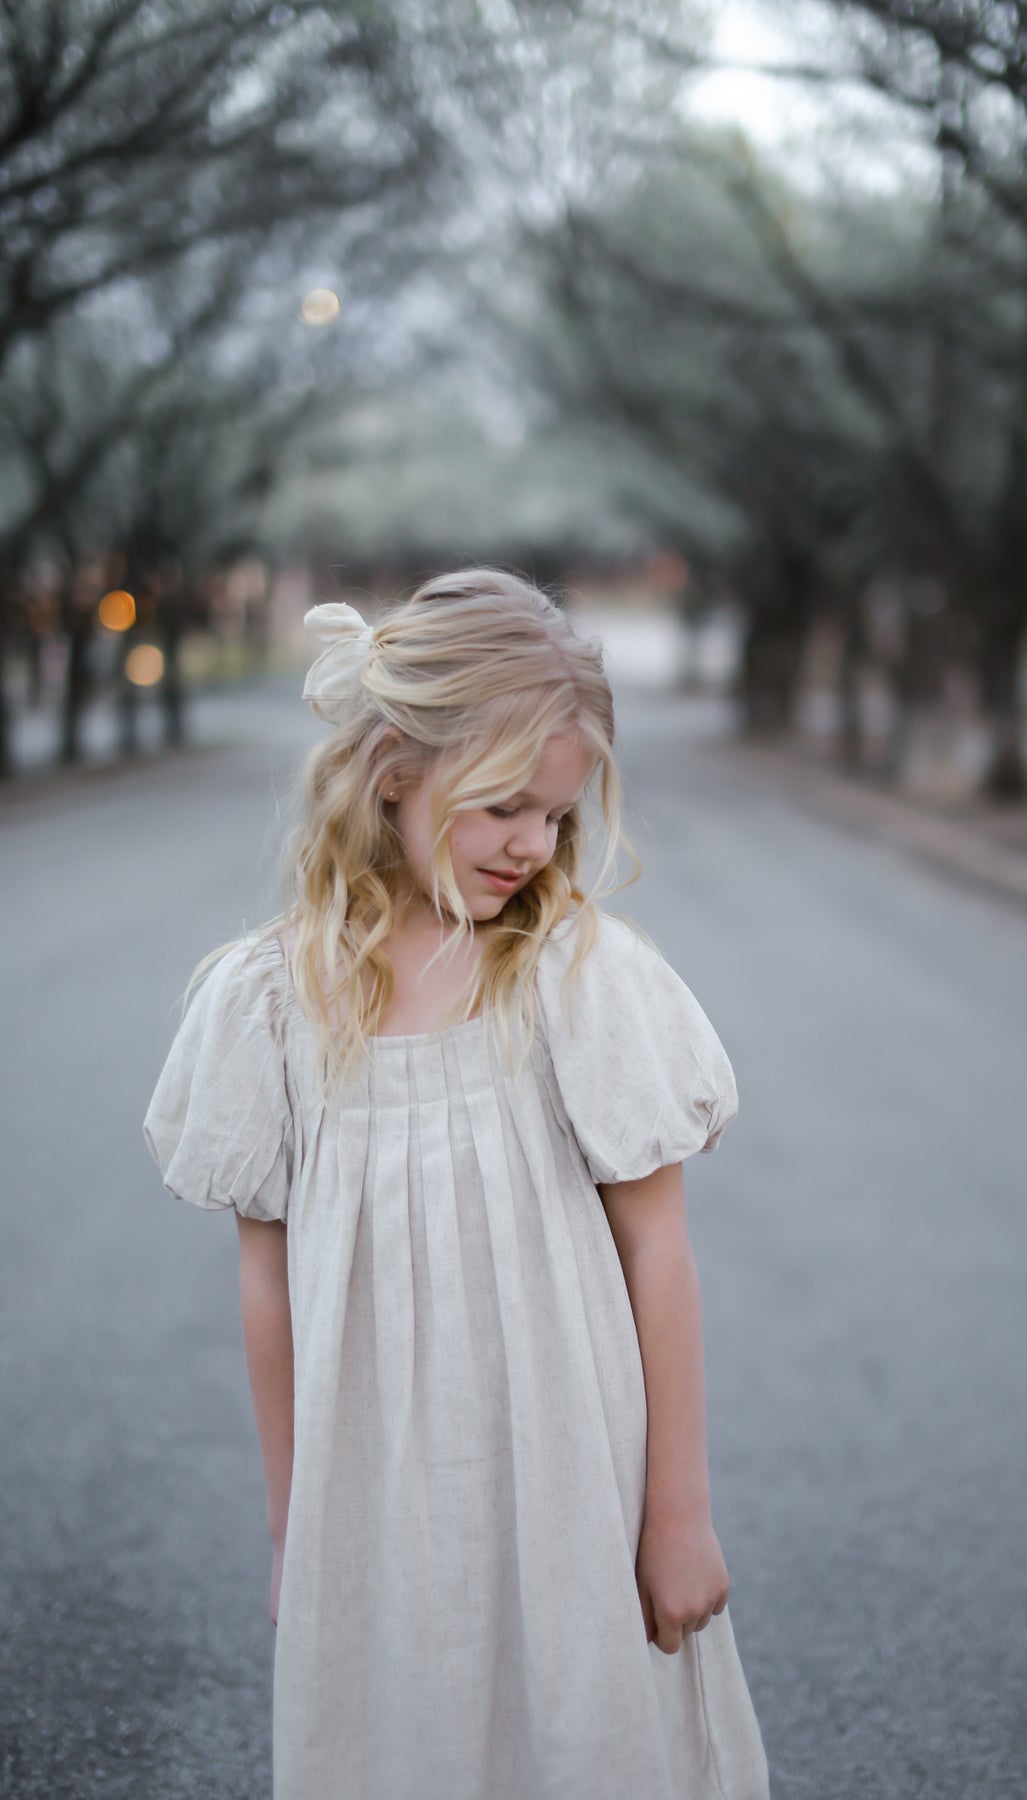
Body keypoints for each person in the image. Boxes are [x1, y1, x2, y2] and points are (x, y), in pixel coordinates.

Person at [143, 568, 770, 1800]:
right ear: (392, 772)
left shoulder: (576, 974)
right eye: (499, 810)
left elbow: (658, 1253)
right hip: (371, 1497)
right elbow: (265, 1286)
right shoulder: (273, 1003)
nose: (533, 846)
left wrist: (677, 1517)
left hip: (572, 1480)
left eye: (556, 814)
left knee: (582, 1736)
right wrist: (292, 1532)